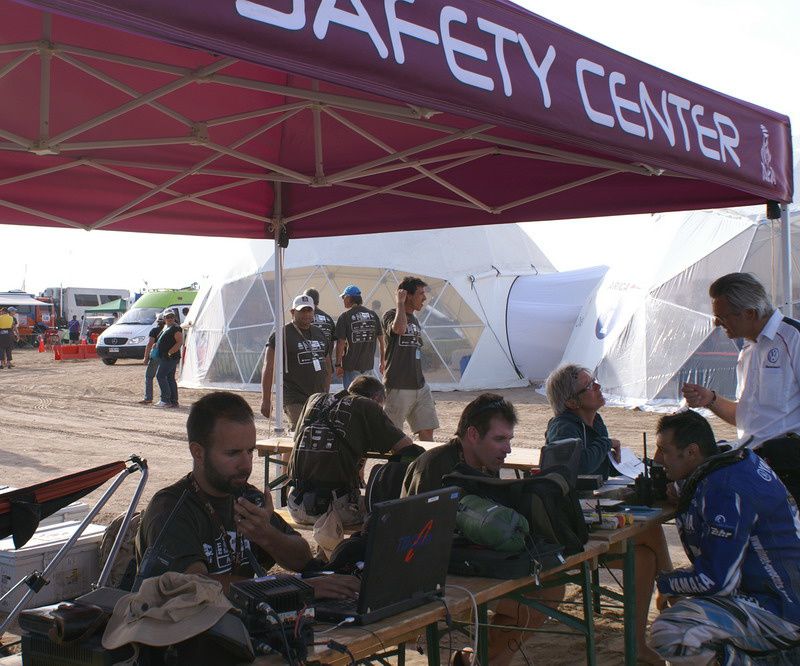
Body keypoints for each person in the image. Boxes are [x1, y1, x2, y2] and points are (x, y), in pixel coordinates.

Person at [135, 391, 359, 601]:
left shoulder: (246, 497)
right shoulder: (171, 508)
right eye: (232, 453)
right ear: (198, 452)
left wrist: (267, 535)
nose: (246, 464)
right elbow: (194, 588)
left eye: (250, 451)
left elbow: (303, 559)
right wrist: (293, 589)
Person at [402, 394, 563, 666]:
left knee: (549, 587)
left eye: (509, 439)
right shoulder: (435, 467)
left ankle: (478, 660)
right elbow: (412, 536)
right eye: (500, 439)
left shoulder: (483, 465)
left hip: (470, 560)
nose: (508, 449)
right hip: (432, 571)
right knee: (535, 593)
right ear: (473, 434)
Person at [649, 410, 800, 665]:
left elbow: (717, 581)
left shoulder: (724, 489)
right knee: (688, 603)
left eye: (664, 450)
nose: (658, 460)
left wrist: (665, 583)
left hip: (783, 609)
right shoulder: (730, 462)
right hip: (778, 595)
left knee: (673, 631)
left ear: (692, 451)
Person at [544, 363, 670, 664]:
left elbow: (602, 467)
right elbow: (581, 466)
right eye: (591, 386)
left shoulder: (594, 421)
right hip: (572, 526)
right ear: (572, 402)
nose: (598, 388)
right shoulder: (564, 426)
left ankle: (637, 640)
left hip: (593, 512)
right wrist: (605, 443)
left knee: (644, 556)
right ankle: (671, 590)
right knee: (649, 529)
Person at [681, 272, 800, 502]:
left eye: (722, 317)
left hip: (788, 469)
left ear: (750, 313)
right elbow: (745, 417)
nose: (717, 324)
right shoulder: (748, 349)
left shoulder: (793, 338)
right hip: (753, 463)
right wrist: (711, 399)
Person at [287, 375, 412, 550]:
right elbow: (406, 446)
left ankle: (325, 554)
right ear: (377, 399)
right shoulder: (367, 406)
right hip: (334, 509)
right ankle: (350, 557)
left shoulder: (315, 399)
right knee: (384, 514)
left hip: (295, 503)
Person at [260, 294, 330, 431]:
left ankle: (288, 453)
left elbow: (327, 364)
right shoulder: (281, 334)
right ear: (293, 312)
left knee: (314, 435)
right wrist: (266, 400)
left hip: (318, 397)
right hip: (295, 398)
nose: (306, 314)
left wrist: (326, 393)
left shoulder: (319, 333)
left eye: (309, 310)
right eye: (302, 310)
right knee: (301, 433)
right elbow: (268, 367)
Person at [383, 276, 439, 441]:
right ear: (406, 295)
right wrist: (400, 304)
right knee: (393, 436)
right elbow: (399, 329)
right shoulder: (391, 314)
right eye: (421, 293)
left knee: (427, 429)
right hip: (398, 386)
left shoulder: (415, 320)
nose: (424, 297)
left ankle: (426, 465)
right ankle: (396, 467)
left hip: (420, 385)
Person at [334, 284, 385, 389]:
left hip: (351, 367)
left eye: (344, 297)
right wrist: (382, 361)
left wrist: (338, 364)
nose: (343, 300)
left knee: (352, 398)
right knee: (366, 396)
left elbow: (341, 342)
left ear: (348, 298)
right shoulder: (373, 315)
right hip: (368, 366)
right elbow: (381, 340)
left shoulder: (345, 316)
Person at [304, 288, 335, 390]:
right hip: (325, 362)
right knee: (323, 391)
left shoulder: (304, 318)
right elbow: (332, 341)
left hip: (307, 361)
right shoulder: (328, 318)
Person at [154, 310, 183, 408]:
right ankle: (173, 401)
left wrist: (170, 352)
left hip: (170, 357)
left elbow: (179, 342)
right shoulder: (166, 327)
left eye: (171, 316)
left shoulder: (176, 328)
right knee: (170, 378)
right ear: (164, 318)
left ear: (174, 317)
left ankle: (165, 400)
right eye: (167, 317)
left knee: (160, 376)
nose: (170, 318)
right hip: (165, 356)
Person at [139, 314, 165, 405]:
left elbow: (150, 344)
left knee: (149, 377)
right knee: (164, 377)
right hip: (166, 357)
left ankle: (148, 397)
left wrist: (145, 358)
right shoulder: (168, 330)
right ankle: (166, 398)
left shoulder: (154, 330)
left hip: (156, 356)